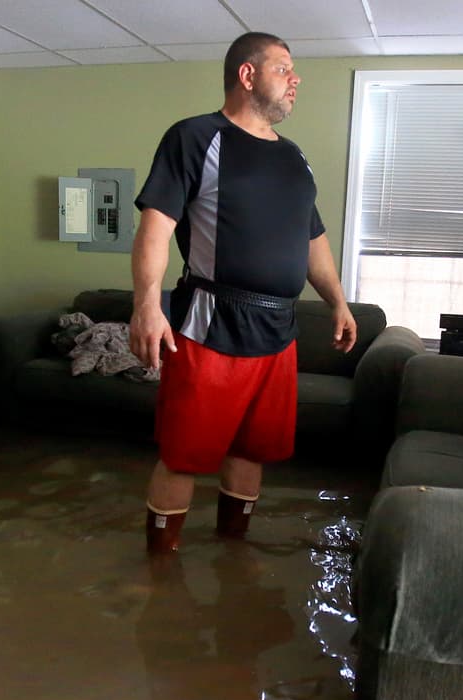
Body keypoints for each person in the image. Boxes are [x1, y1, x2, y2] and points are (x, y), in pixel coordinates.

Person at [130, 31, 357, 554]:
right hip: (212, 323)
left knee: (253, 449)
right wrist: (147, 304)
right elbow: (156, 228)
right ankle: (160, 575)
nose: (295, 79)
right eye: (283, 68)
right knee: (184, 454)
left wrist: (338, 302)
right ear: (247, 75)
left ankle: (233, 556)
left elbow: (312, 237)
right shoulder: (194, 137)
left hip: (279, 329)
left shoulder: (295, 158)